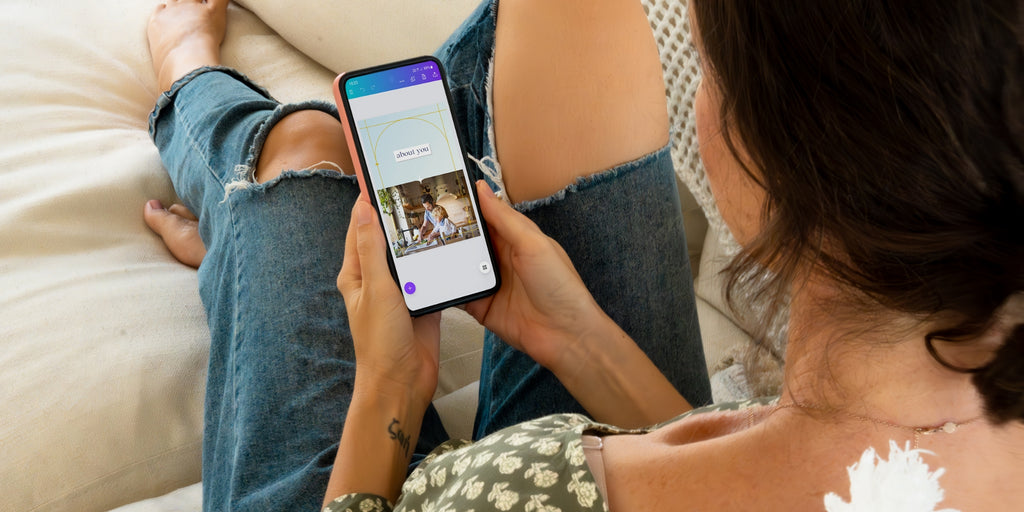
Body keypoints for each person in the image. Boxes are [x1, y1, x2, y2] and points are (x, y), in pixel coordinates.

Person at [142, 0, 1023, 511]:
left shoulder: (486, 495)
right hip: (617, 434)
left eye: (712, 72)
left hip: (397, 480)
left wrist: (389, 386)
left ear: (775, 168)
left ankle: (192, 88)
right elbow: (745, 462)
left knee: (306, 164)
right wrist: (576, 338)